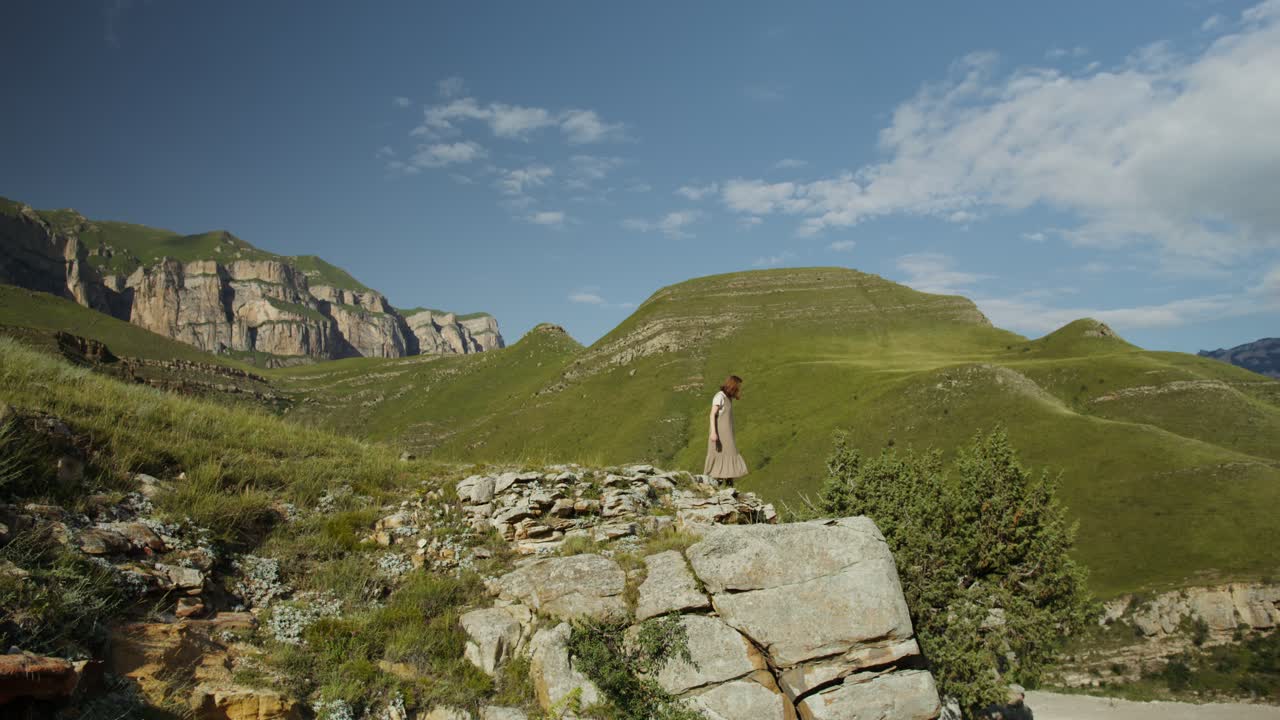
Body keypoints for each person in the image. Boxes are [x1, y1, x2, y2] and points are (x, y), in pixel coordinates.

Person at [704, 375, 748, 483]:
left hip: (727, 434)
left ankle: (728, 482)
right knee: (719, 454)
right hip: (719, 433)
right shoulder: (719, 396)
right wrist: (713, 433)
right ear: (732, 386)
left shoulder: (728, 398)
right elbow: (712, 414)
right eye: (737, 387)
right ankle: (714, 482)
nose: (738, 389)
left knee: (730, 454)